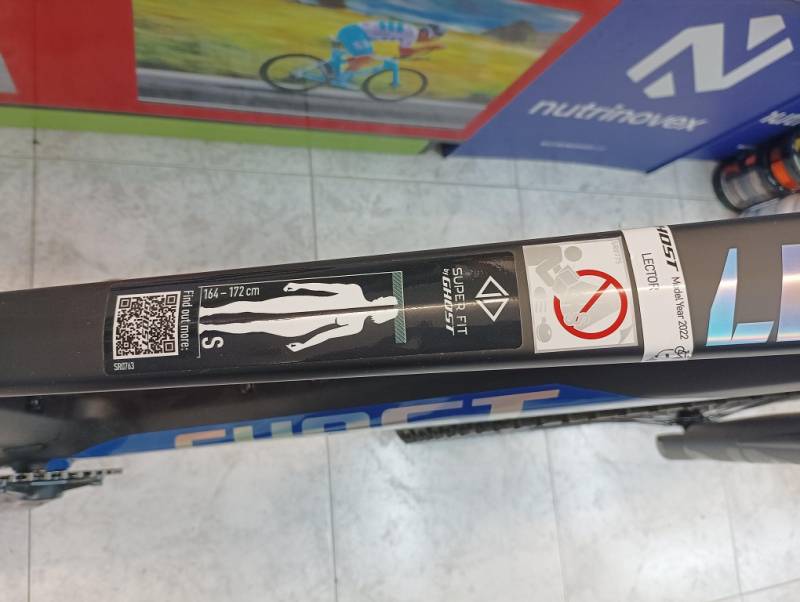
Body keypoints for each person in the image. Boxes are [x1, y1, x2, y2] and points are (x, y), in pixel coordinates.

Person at [335, 21, 445, 71]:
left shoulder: (412, 30)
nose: (427, 41)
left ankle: (333, 69)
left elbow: (404, 52)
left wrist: (426, 48)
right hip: (355, 33)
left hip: (354, 31)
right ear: (426, 33)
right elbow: (404, 52)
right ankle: (340, 80)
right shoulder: (412, 33)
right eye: (431, 39)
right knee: (366, 58)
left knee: (366, 57)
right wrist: (430, 47)